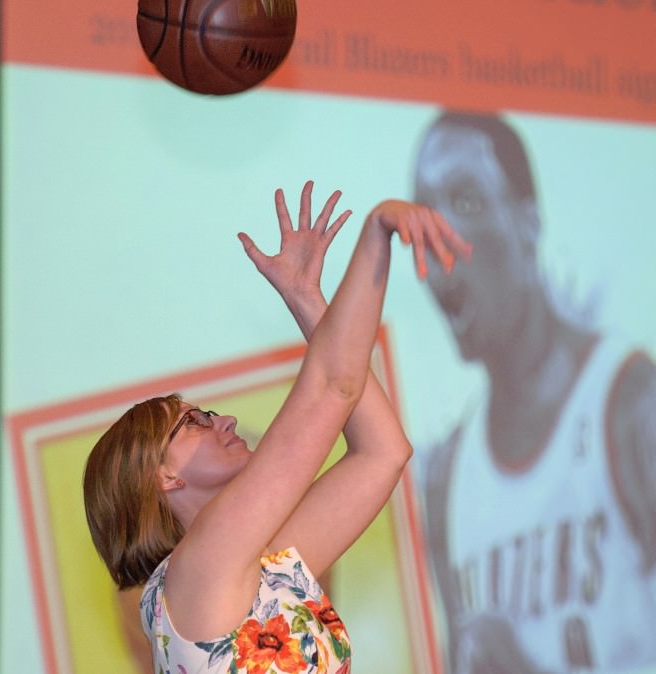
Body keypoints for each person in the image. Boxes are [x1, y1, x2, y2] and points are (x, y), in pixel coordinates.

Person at [83, 181, 471, 674]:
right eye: (193, 423)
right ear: (162, 476)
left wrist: (307, 297)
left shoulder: (250, 564)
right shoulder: (200, 564)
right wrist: (377, 229)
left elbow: (382, 452)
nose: (221, 419)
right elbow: (332, 385)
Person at [411, 111, 656, 674]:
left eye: (467, 203)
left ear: (528, 225)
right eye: (422, 220)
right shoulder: (447, 478)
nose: (438, 242)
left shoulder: (627, 404)